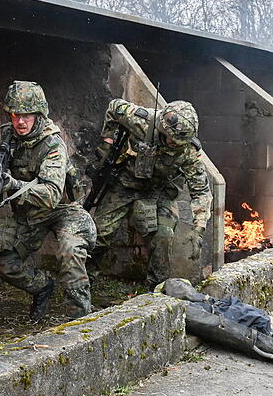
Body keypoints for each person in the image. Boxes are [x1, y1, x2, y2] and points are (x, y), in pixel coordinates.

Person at [0, 81, 96, 321]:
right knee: (6, 264)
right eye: (15, 115)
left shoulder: (53, 144)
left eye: (26, 116)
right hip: (30, 213)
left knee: (70, 251)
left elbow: (51, 195)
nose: (20, 122)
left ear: (39, 115)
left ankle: (80, 319)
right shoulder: (7, 136)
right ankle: (43, 287)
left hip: (63, 210)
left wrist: (13, 185)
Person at [89, 98, 212, 287]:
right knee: (99, 233)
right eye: (172, 139)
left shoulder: (188, 150)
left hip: (159, 191)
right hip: (125, 184)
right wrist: (108, 140)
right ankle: (85, 280)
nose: (175, 145)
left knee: (164, 235)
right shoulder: (140, 120)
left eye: (180, 142)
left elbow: (201, 191)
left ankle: (156, 288)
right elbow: (114, 106)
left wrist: (199, 230)